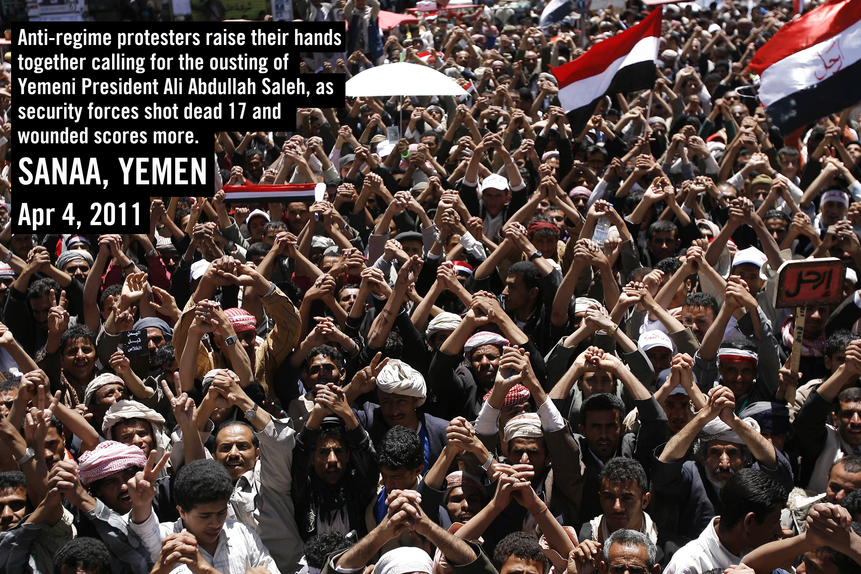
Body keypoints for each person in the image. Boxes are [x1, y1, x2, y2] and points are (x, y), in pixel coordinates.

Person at [128, 458, 281, 574]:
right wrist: (141, 503)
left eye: (221, 512)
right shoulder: (167, 541)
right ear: (182, 512)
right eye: (205, 515)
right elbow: (145, 529)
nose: (215, 523)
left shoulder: (242, 535)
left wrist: (206, 570)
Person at [663, 469, 787, 574]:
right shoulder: (689, 565)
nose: (779, 530)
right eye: (775, 521)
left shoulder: (764, 556)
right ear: (749, 522)